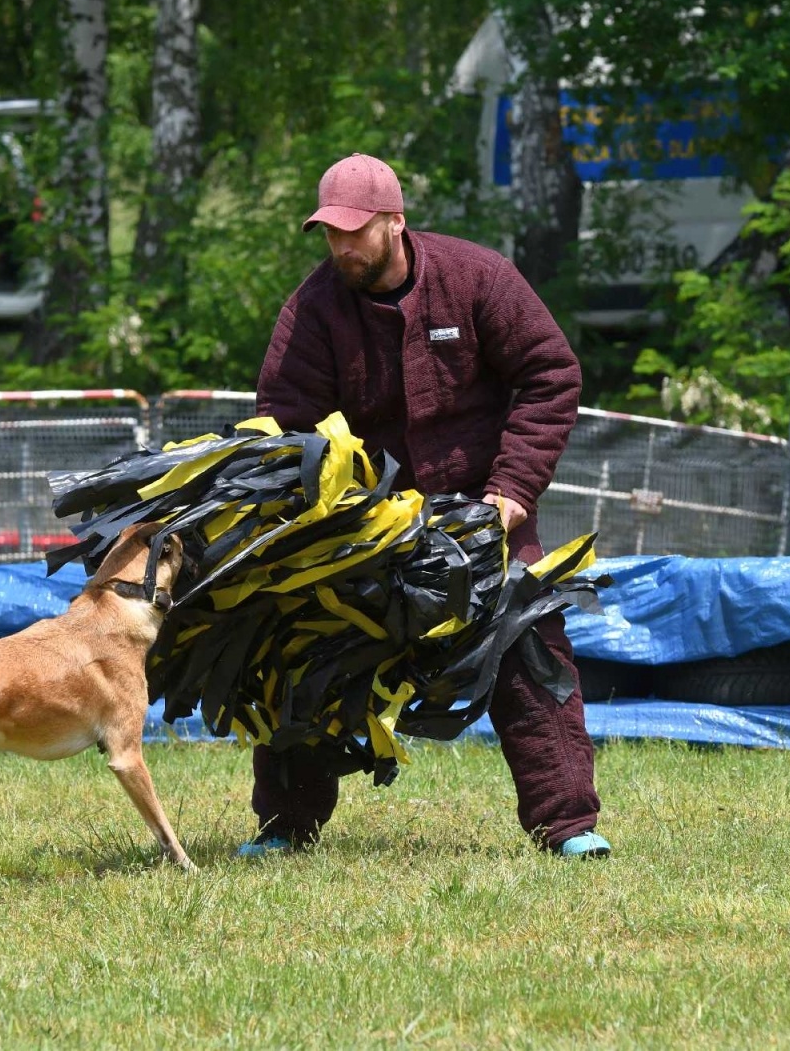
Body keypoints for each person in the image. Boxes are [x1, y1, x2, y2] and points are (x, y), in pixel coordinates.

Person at [244, 152, 610, 860]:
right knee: (300, 646)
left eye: (356, 230)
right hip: (372, 523)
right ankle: (286, 825)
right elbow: (286, 422)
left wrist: (512, 490)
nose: (342, 246)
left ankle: (570, 827)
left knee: (531, 648)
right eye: (330, 232)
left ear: (395, 221)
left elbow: (551, 374)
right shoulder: (313, 308)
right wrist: (320, 522)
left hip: (487, 508)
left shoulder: (478, 278)